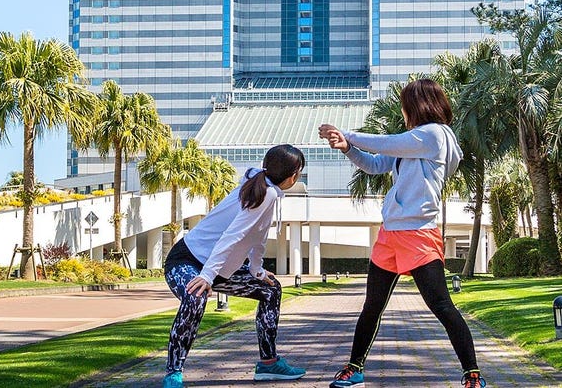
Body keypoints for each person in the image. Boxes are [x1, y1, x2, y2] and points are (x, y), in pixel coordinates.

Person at [318, 79, 485, 388]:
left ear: (418, 106)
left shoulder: (435, 135)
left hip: (419, 234)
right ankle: (354, 368)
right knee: (372, 306)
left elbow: (386, 143)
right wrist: (348, 149)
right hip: (390, 235)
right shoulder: (412, 142)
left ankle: (472, 374)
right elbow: (374, 164)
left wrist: (348, 134)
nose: (403, 112)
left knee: (442, 306)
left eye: (405, 106)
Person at [162, 144, 307, 388]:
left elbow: (259, 236)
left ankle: (269, 363)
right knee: (196, 297)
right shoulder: (265, 192)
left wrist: (257, 270)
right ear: (292, 176)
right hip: (187, 260)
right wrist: (207, 276)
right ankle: (173, 372)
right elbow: (231, 235)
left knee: (270, 289)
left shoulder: (266, 190)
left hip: (217, 268)